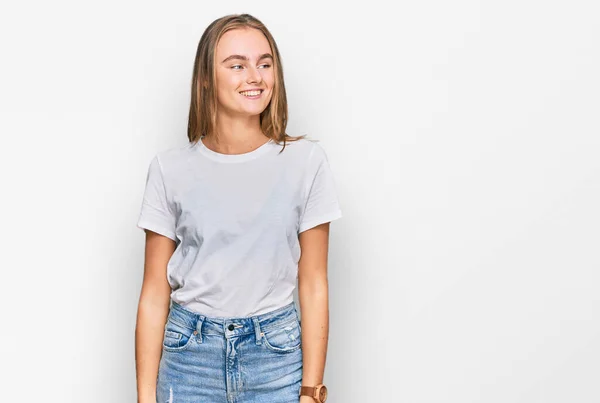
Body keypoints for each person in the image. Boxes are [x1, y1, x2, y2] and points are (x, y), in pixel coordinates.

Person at [135, 13, 342, 403]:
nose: (256, 76)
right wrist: (145, 398)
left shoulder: (306, 163)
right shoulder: (169, 169)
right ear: (206, 80)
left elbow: (313, 282)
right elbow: (153, 292)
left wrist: (312, 391)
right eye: (237, 65)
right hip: (189, 358)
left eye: (265, 63)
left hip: (275, 359)